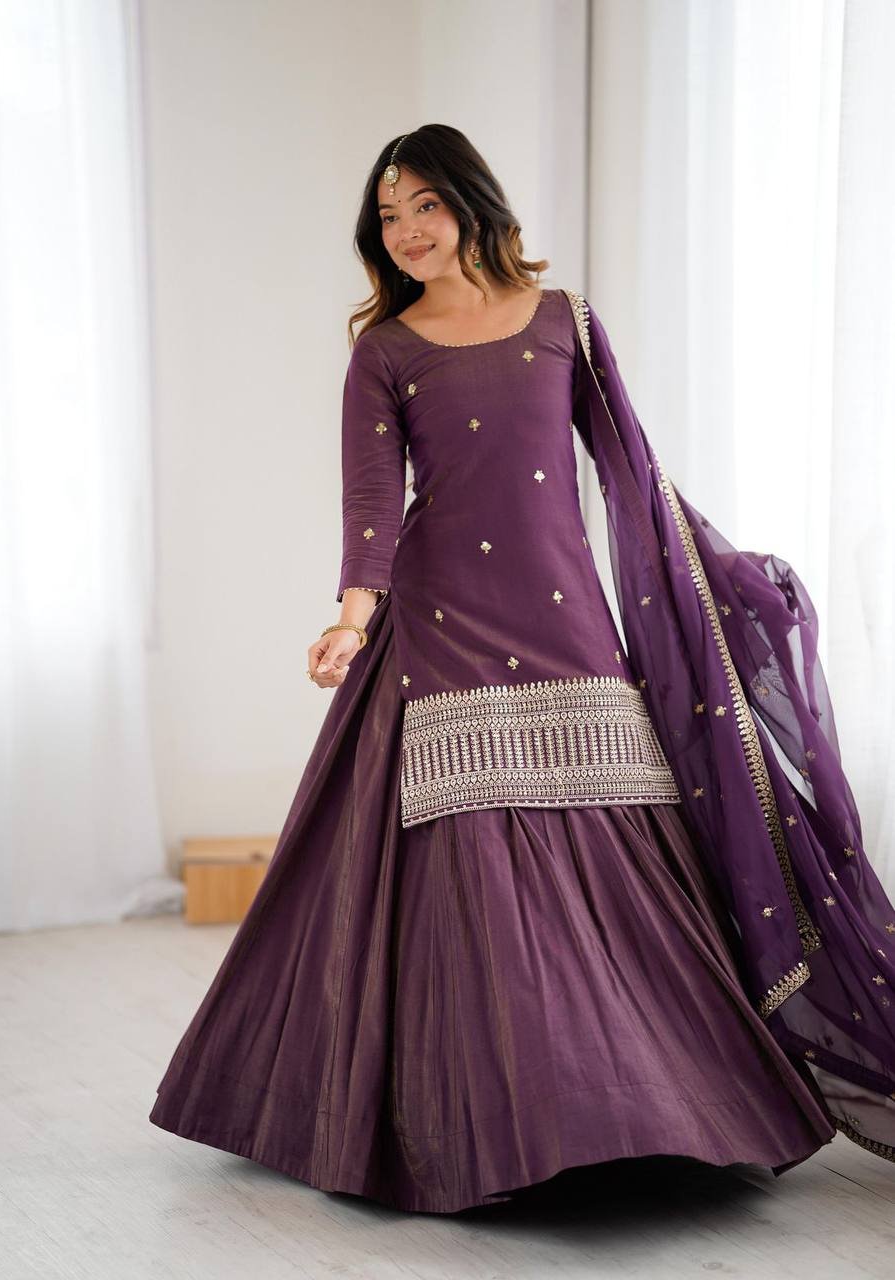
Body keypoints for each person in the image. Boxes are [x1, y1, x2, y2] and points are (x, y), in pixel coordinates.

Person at [149, 124, 895, 1215]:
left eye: (425, 206)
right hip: (439, 624)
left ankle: (662, 1111)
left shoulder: (564, 323)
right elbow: (372, 506)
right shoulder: (385, 351)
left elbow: (633, 475)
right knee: (474, 876)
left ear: (472, 203)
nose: (408, 231)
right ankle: (517, 1126)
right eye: (389, 216)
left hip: (566, 619)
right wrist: (352, 621)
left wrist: (721, 580)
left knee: (620, 852)